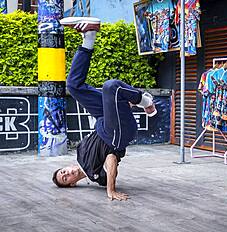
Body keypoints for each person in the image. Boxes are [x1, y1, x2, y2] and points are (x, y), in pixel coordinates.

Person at [51, 17, 157, 201]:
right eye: (66, 178)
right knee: (111, 86)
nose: (67, 173)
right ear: (73, 184)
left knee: (73, 86)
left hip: (104, 121)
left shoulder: (79, 153)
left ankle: (89, 35)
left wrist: (117, 108)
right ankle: (145, 101)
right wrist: (110, 190)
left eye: (63, 172)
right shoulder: (95, 175)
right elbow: (112, 160)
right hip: (115, 136)